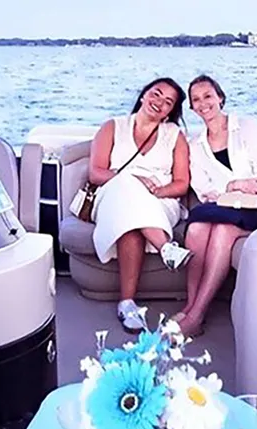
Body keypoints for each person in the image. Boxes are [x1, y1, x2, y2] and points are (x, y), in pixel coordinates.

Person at [177, 75, 257, 337]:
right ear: (191, 108)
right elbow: (203, 190)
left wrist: (234, 187)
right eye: (196, 100)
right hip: (224, 207)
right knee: (197, 229)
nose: (203, 104)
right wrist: (235, 185)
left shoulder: (247, 127)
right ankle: (190, 306)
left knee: (223, 231)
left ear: (220, 97)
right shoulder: (195, 145)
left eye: (208, 96)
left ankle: (196, 316)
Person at [87, 78, 193, 332]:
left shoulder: (175, 136)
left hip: (159, 200)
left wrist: (158, 189)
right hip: (113, 195)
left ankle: (127, 304)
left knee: (131, 223)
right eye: (156, 94)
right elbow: (96, 173)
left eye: (168, 102)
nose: (159, 103)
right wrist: (134, 180)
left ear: (171, 111)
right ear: (144, 94)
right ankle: (166, 248)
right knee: (127, 191)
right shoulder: (113, 127)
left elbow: (181, 183)